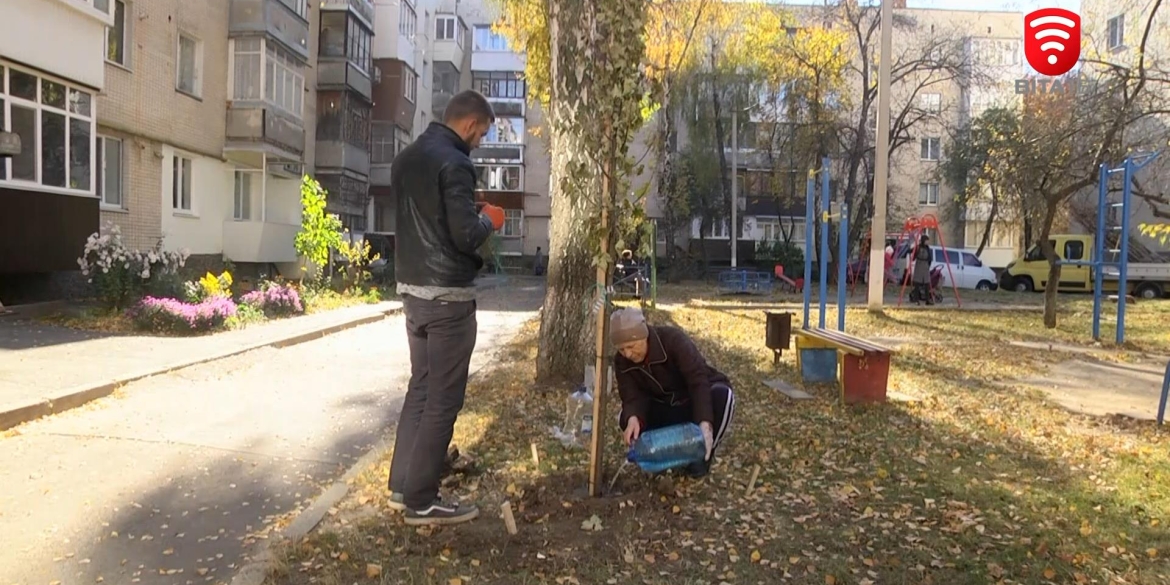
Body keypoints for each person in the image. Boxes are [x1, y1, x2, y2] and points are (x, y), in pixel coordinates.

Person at [387, 90, 506, 526]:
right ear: (471, 124)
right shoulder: (455, 163)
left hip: (413, 293)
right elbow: (462, 236)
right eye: (483, 133)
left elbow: (430, 220)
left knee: (419, 389)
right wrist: (489, 220)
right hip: (448, 299)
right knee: (443, 400)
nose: (480, 141)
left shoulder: (406, 159)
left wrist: (465, 216)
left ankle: (401, 488)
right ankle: (422, 499)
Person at [610, 308, 736, 478]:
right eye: (622, 349)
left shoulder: (673, 341)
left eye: (631, 346)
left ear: (644, 335)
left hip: (691, 402)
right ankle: (660, 458)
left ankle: (701, 454)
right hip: (664, 406)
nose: (628, 354)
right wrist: (633, 418)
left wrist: (705, 425)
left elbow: (698, 382)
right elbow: (631, 395)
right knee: (625, 416)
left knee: (723, 397)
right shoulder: (622, 361)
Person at [912, 234, 933, 305]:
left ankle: (927, 299)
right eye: (926, 241)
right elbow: (914, 256)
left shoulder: (928, 248)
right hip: (919, 265)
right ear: (923, 241)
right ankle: (916, 299)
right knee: (917, 283)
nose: (927, 242)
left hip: (925, 266)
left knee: (927, 283)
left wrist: (928, 265)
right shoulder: (918, 247)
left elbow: (930, 258)